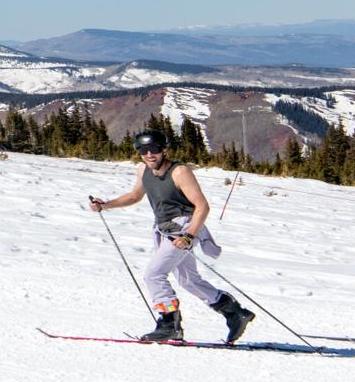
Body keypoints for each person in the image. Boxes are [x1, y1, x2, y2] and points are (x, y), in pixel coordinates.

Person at [89, 130, 256, 343]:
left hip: (184, 228)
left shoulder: (180, 172)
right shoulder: (143, 170)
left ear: (164, 150)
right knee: (188, 280)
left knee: (154, 274)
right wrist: (105, 205)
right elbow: (134, 196)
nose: (150, 155)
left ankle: (169, 324)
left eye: (155, 149)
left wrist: (188, 236)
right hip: (165, 230)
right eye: (143, 150)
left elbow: (202, 207)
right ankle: (234, 313)